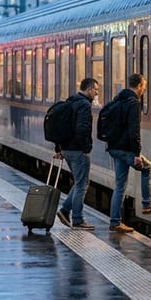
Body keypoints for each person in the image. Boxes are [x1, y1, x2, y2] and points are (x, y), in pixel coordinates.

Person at [105, 73, 151, 233]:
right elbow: (134, 130)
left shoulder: (118, 99)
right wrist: (137, 154)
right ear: (138, 86)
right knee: (148, 167)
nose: (144, 89)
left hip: (114, 147)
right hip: (125, 149)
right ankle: (146, 203)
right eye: (143, 86)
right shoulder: (133, 103)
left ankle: (115, 222)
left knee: (120, 185)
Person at [56, 78, 99, 231]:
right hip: (78, 151)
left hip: (67, 149)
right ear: (89, 89)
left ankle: (65, 211)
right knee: (82, 184)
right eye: (96, 90)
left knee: (79, 182)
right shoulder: (84, 105)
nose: (97, 93)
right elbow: (82, 129)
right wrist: (86, 148)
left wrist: (59, 148)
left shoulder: (70, 101)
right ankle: (77, 219)